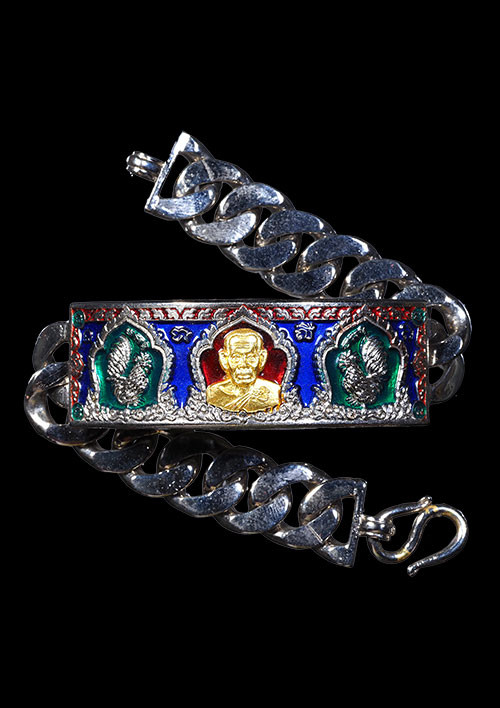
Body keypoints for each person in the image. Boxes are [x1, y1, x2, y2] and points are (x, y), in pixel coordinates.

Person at [206, 328, 282, 413]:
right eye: (236, 357)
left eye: (251, 357)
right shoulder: (214, 393)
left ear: (262, 358)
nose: (243, 364)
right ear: (224, 359)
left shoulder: (274, 391)